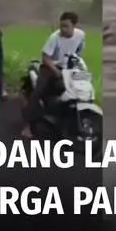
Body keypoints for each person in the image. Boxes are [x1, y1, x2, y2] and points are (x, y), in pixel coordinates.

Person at [21, 11, 86, 139]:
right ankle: (28, 126)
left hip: (67, 68)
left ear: (74, 25)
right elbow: (45, 57)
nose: (62, 29)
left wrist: (77, 65)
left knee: (77, 90)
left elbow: (79, 51)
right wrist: (56, 71)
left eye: (66, 26)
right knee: (38, 91)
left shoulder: (80, 35)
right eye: (61, 25)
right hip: (49, 67)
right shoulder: (54, 37)